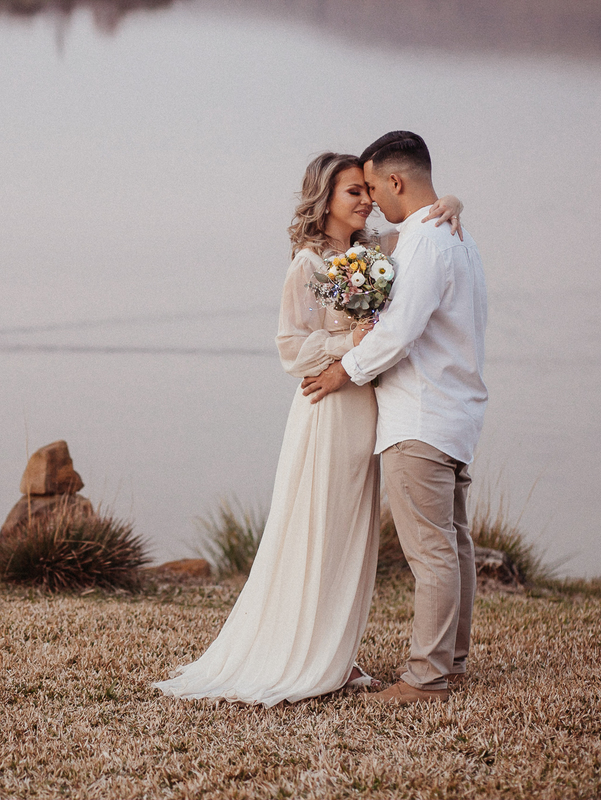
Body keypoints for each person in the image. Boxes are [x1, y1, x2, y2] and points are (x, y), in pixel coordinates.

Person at [152, 151, 463, 706]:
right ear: (325, 201)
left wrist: (453, 203)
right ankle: (307, 655)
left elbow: (422, 227)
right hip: (328, 408)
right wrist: (352, 342)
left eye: (368, 191)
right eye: (353, 193)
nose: (367, 201)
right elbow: (291, 349)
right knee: (320, 531)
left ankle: (335, 653)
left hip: (370, 407)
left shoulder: (376, 252)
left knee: (353, 535)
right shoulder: (308, 266)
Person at [301, 131, 487, 705]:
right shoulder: (453, 236)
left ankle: (427, 677)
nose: (373, 199)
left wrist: (344, 371)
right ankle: (450, 663)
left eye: (375, 185)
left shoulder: (427, 242)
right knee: (453, 546)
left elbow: (400, 332)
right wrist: (452, 200)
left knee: (432, 552)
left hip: (421, 418)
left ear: (397, 181)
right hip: (454, 414)